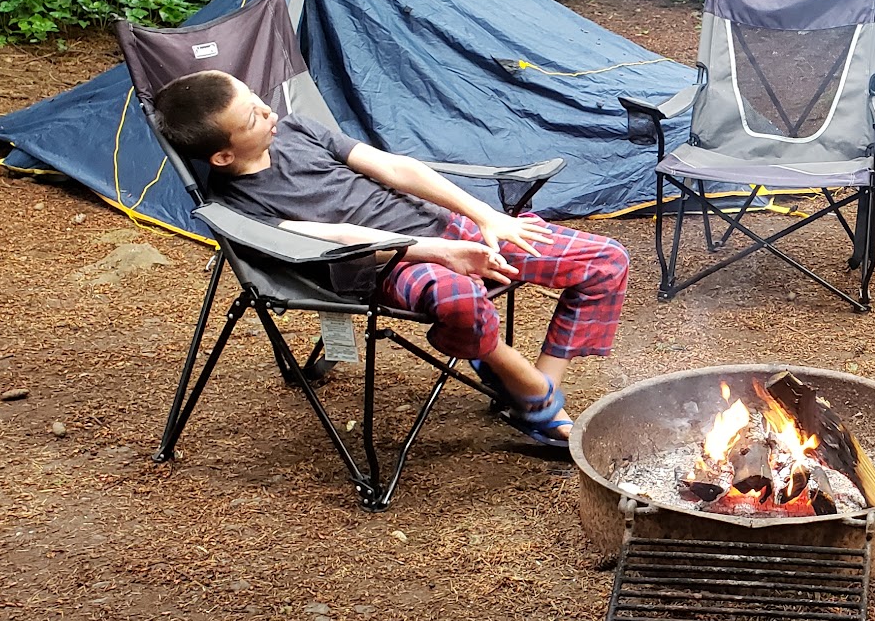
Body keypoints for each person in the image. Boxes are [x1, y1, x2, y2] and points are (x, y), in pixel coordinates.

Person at [150, 69, 629, 448]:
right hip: (384, 264)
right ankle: (536, 397)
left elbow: (393, 166)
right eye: (251, 117)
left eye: (256, 98)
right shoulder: (240, 207)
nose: (266, 110)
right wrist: (439, 253)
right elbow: (340, 237)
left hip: (442, 225)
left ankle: (529, 389)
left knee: (606, 261)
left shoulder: (294, 129)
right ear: (221, 156)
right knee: (459, 297)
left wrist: (486, 217)